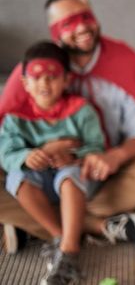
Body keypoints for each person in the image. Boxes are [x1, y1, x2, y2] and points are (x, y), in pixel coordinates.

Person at [0, 0, 135, 253]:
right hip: (35, 171)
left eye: (85, 17)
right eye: (68, 23)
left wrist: (115, 156)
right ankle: (96, 226)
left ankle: (37, 227)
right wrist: (40, 153)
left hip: (97, 172)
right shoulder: (37, 68)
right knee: (14, 178)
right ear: (54, 32)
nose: (81, 27)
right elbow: (7, 133)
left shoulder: (125, 60)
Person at [0, 42, 105, 284]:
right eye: (36, 78)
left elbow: (96, 147)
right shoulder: (16, 118)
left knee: (70, 177)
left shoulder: (81, 110)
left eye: (52, 77)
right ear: (25, 83)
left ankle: (69, 250)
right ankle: (60, 236)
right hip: (36, 183)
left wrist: (73, 153)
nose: (44, 84)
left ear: (67, 80)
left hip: (72, 181)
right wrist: (27, 156)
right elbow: (6, 154)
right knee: (16, 178)